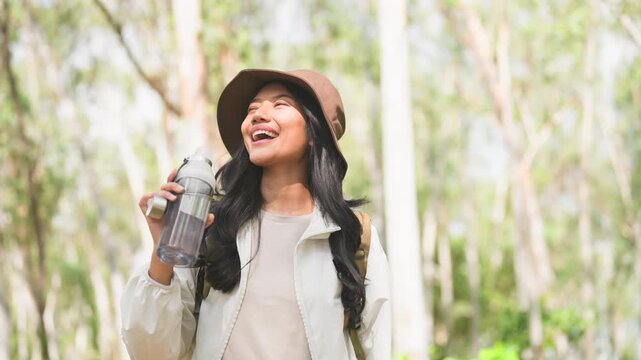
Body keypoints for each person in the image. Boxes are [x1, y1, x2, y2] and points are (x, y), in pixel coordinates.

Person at [120, 69, 391, 360]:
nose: (258, 115)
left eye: (280, 105)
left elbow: (377, 348)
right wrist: (164, 255)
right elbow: (151, 353)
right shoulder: (210, 228)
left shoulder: (354, 237)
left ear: (315, 132)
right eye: (252, 109)